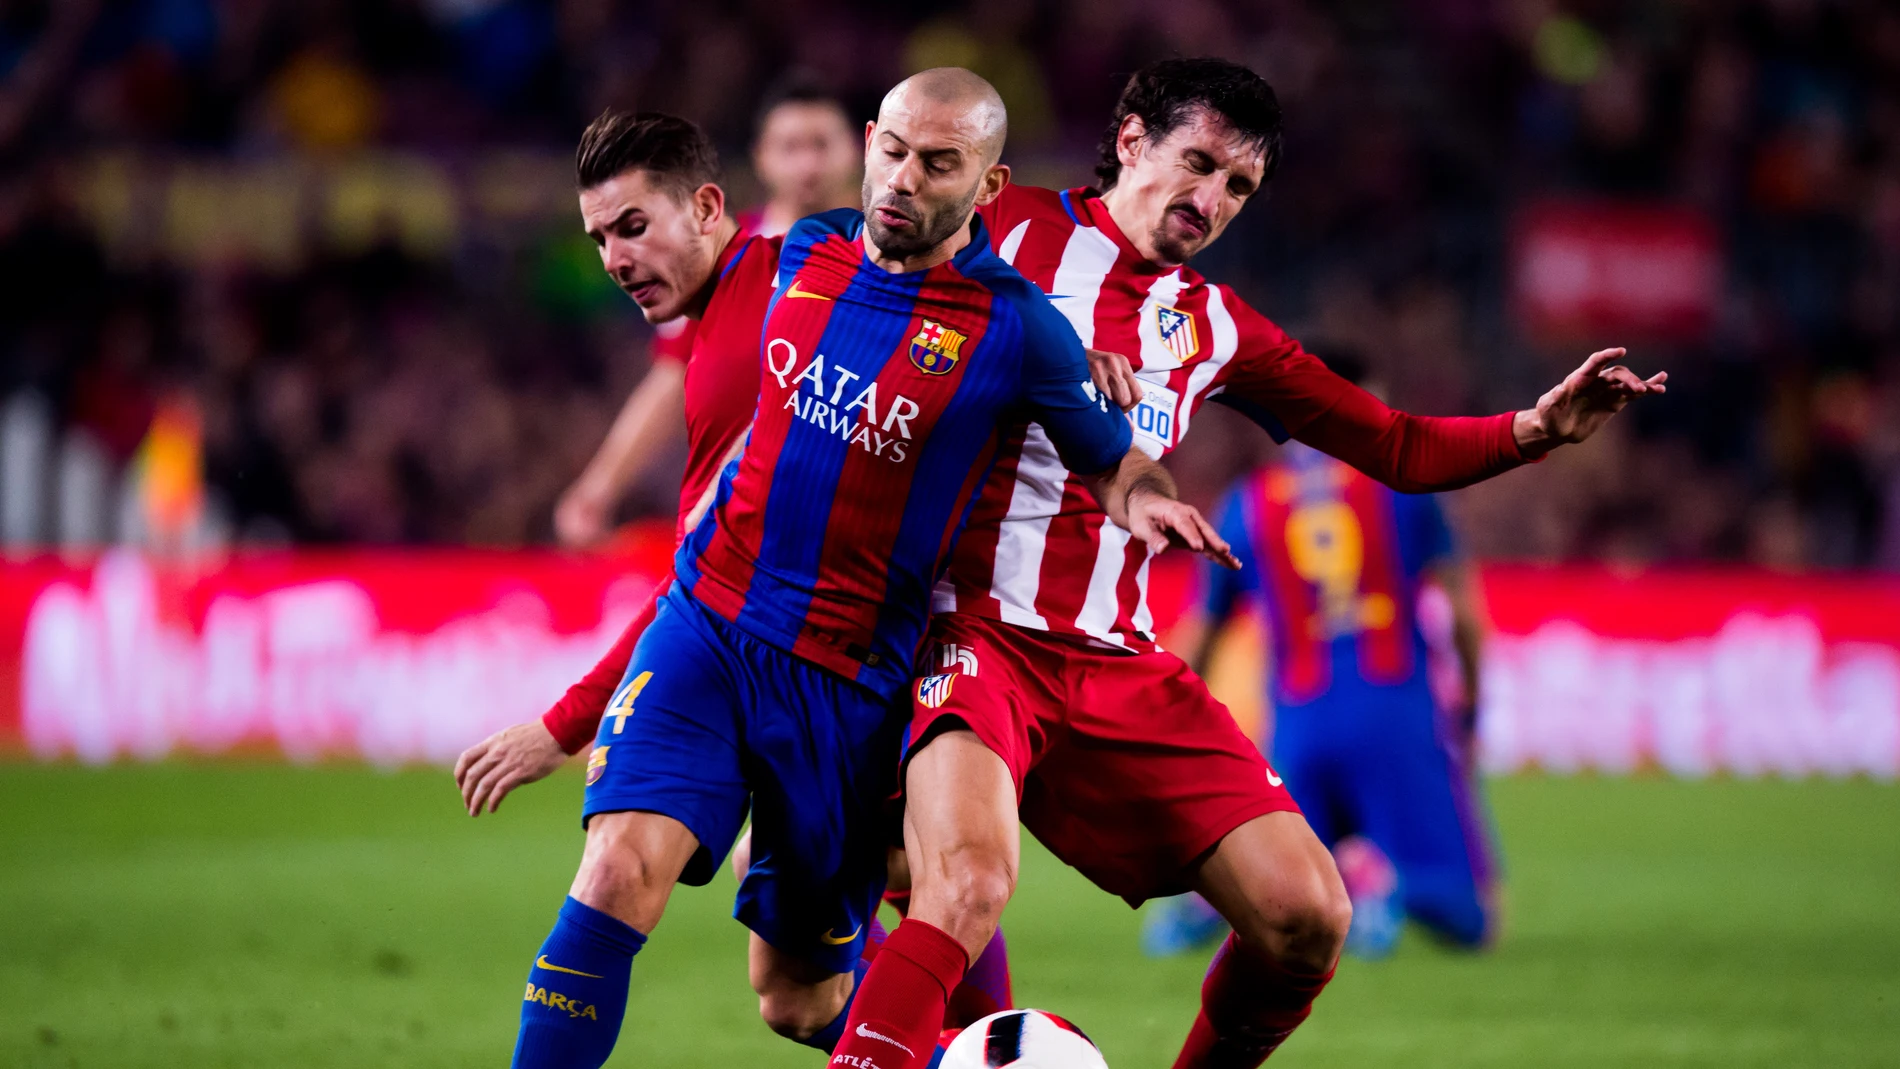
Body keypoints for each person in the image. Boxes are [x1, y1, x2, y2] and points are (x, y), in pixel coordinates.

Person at [825, 57, 1667, 1069]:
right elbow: (850, 315)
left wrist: (1532, 428)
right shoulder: (996, 228)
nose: (1212, 201)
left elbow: (1392, 445)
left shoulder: (1214, 327)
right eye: (1199, 164)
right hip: (964, 634)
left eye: (1238, 188)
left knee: (1307, 911)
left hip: (1109, 659)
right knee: (957, 891)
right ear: (1131, 139)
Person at [506, 68, 1233, 1069]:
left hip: (848, 682)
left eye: (937, 163)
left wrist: (1146, 494)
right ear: (868, 146)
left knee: (798, 996)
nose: (900, 179)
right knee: (618, 868)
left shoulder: (1017, 326)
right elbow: (678, 304)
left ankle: (973, 1056)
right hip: (711, 630)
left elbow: (1109, 453)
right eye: (890, 152)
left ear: (987, 185)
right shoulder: (799, 255)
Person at [1147, 347, 1500, 961]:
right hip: (1397, 713)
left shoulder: (1248, 503)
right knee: (1473, 923)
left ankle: (1207, 906)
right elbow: (1466, 617)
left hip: (1300, 726)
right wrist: (1472, 697)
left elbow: (1200, 635)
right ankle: (1381, 885)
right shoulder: (1408, 485)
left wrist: (1168, 730)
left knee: (1284, 864)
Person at [552, 78, 859, 550]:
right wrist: (600, 486)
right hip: (741, 531)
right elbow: (671, 375)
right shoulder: (710, 257)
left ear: (858, 148)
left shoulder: (894, 259)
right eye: (790, 147)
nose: (807, 164)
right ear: (761, 156)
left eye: (821, 145)